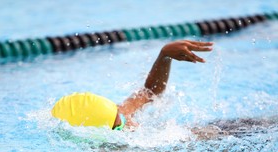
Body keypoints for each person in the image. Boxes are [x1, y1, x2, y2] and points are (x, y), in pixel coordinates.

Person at [51, 40, 213, 130]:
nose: (130, 122)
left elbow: (151, 91)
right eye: (120, 124)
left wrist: (164, 55)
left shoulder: (118, 114)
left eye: (121, 114)